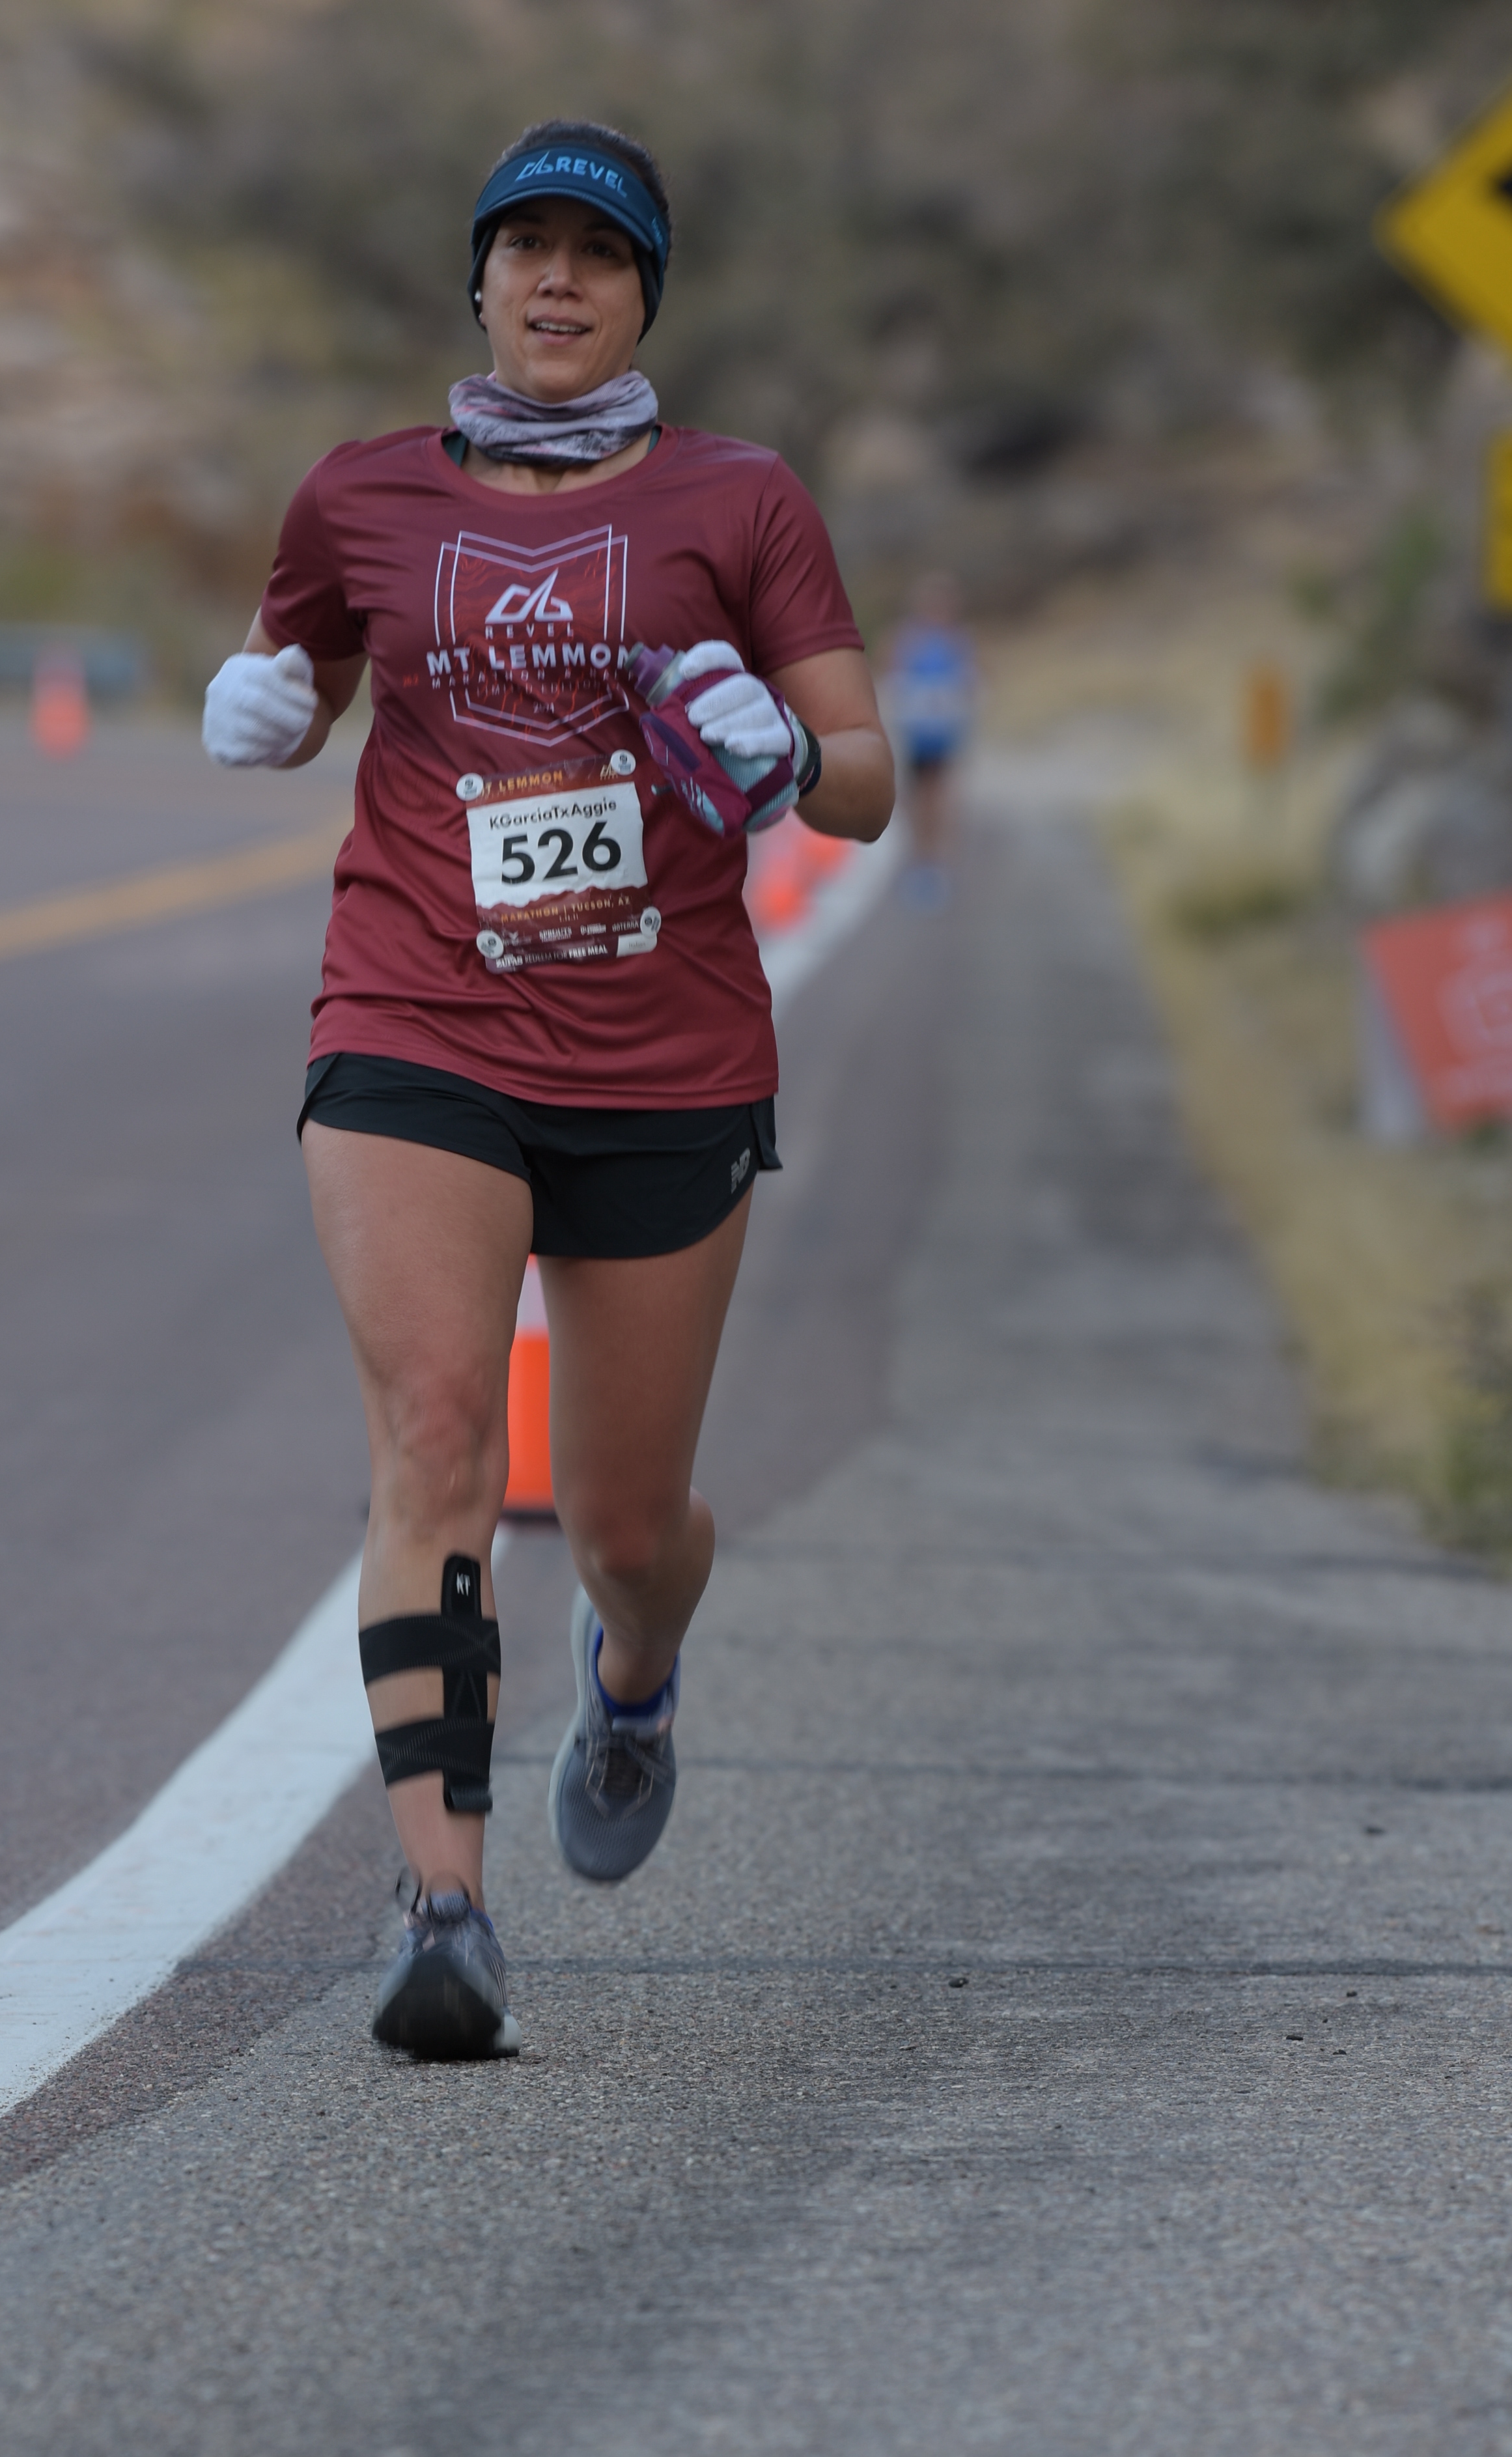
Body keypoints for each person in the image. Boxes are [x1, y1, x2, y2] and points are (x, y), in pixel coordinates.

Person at [202, 119, 894, 2060]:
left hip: (663, 1051)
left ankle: (637, 1668)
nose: (558, 281)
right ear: (481, 280)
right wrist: (266, 706)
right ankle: (444, 1909)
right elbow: (294, 667)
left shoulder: (740, 501)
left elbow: (864, 780)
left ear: (644, 292)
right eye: (526, 249)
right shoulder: (360, 493)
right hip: (415, 1015)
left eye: (598, 254)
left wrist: (786, 754)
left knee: (620, 1522)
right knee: (437, 1430)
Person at [884, 570, 977, 906]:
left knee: (940, 799)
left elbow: (972, 683)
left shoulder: (958, 641)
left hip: (945, 735)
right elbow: (893, 678)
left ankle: (937, 865)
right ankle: (920, 861)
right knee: (915, 801)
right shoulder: (908, 639)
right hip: (916, 735)